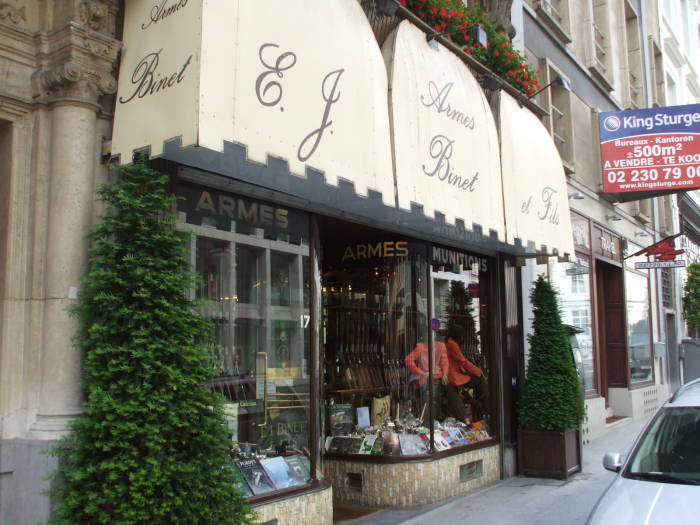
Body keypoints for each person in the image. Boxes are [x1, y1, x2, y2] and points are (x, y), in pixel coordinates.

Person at [444, 325, 485, 422]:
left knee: (477, 379)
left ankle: (478, 401)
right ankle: (484, 405)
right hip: (453, 376)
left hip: (454, 374)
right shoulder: (452, 344)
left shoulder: (450, 342)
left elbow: (460, 361)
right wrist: (478, 371)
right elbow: (463, 361)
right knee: (480, 379)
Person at [405, 338, 449, 421]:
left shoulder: (441, 346)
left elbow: (445, 361)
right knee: (433, 395)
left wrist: (445, 373)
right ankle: (433, 419)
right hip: (426, 379)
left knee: (447, 390)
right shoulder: (421, 347)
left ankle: (436, 419)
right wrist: (421, 372)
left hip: (437, 377)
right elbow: (408, 360)